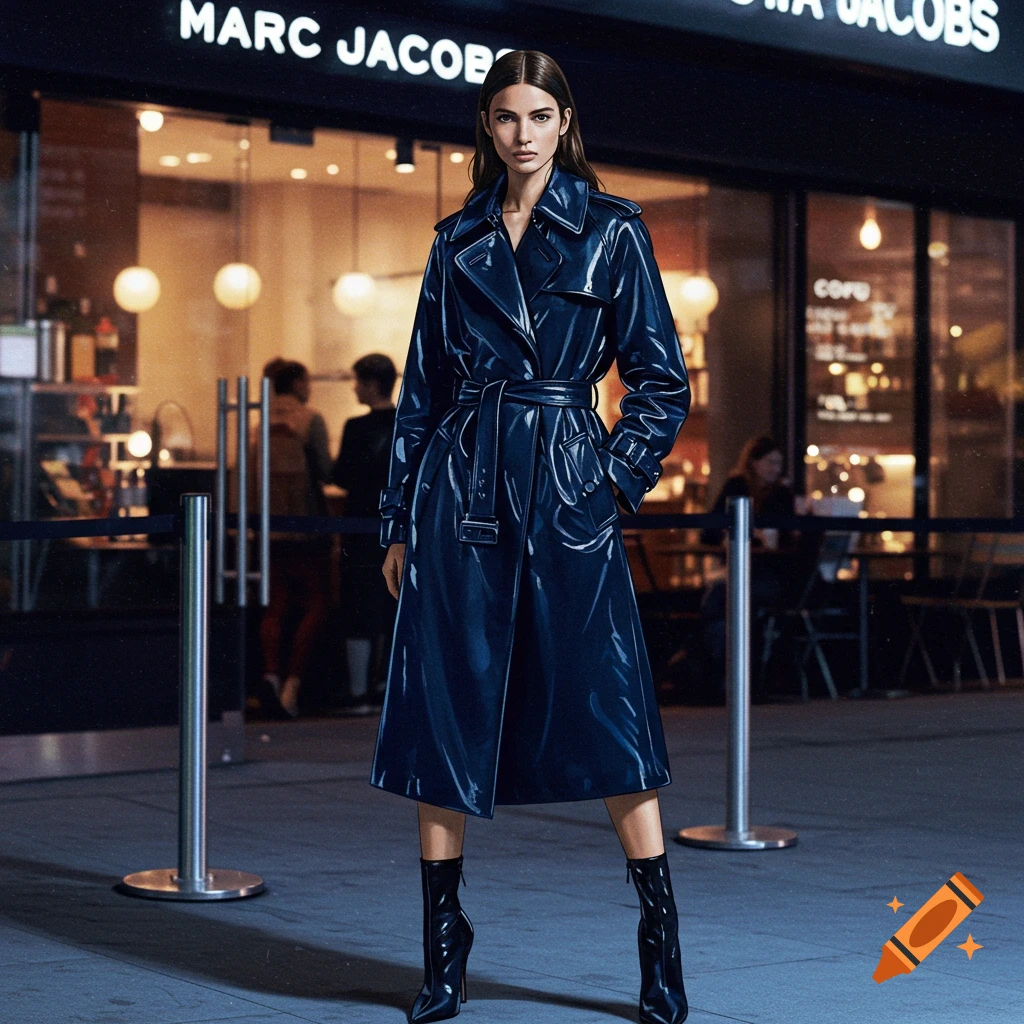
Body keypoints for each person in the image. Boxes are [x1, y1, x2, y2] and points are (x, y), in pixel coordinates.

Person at [372, 50, 691, 1024]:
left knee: (611, 710)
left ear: (564, 124)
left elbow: (659, 380)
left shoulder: (611, 230)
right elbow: (418, 392)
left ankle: (659, 939)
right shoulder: (454, 238)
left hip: (564, 489)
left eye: (538, 115)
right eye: (504, 115)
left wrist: (606, 484)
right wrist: (396, 521)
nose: (520, 132)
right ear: (486, 126)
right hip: (458, 494)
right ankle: (442, 943)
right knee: (446, 713)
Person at [699, 435, 806, 702]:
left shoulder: (781, 494)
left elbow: (786, 540)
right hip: (739, 572)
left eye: (779, 463)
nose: (776, 469)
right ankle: (726, 676)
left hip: (768, 574)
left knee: (723, 602)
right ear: (754, 463)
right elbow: (708, 532)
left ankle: (724, 677)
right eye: (770, 462)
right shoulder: (736, 486)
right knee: (727, 607)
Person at [258, 360, 333, 717]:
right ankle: (293, 684)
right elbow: (326, 471)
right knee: (316, 602)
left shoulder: (259, 421)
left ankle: (270, 676)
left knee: (276, 603)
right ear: (299, 383)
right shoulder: (311, 419)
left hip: (270, 525)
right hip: (307, 523)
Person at [332, 354, 398, 715]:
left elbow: (340, 476)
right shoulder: (407, 422)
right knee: (392, 604)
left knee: (358, 606)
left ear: (371, 383)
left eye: (358, 381)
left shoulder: (355, 428)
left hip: (358, 526)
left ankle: (359, 691)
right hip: (394, 526)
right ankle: (387, 684)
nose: (355, 387)